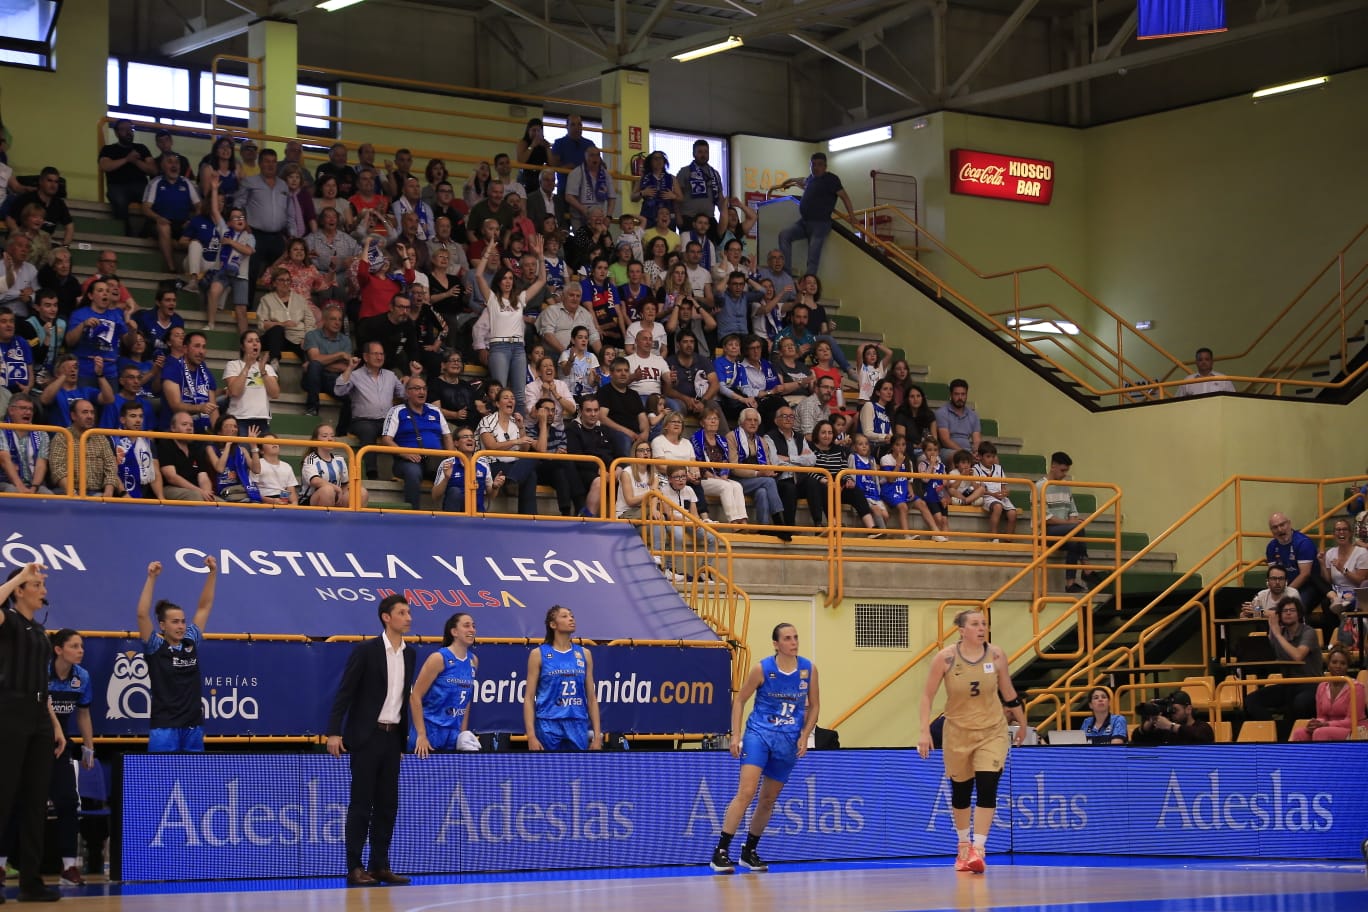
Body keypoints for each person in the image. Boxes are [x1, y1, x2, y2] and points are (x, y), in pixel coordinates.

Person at [916, 608, 1027, 874]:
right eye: (975, 624)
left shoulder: (997, 654)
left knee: (988, 783)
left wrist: (1022, 722)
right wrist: (924, 731)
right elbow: (926, 697)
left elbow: (1008, 691)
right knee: (961, 792)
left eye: (984, 623)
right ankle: (963, 845)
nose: (981, 628)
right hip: (957, 732)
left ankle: (979, 848)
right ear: (961, 630)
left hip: (992, 730)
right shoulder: (945, 659)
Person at [710, 622, 819, 874]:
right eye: (788, 638)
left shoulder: (809, 669)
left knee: (768, 799)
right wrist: (736, 735)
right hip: (759, 735)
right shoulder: (762, 669)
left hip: (788, 740)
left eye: (796, 637)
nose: (794, 642)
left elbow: (814, 706)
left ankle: (749, 852)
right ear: (776, 644)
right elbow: (739, 700)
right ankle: (721, 851)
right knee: (746, 792)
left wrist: (804, 735)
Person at [327, 594, 416, 888]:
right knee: (361, 804)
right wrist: (334, 732)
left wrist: (402, 741)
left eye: (408, 612)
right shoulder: (367, 650)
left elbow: (403, 700)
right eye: (402, 612)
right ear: (386, 617)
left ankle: (380, 865)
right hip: (367, 737)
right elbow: (345, 692)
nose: (408, 617)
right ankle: (354, 866)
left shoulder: (410, 653)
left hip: (393, 739)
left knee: (388, 805)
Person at [0, 564, 66, 903]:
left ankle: (31, 881)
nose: (42, 589)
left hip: (40, 715)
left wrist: (54, 723)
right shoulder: (8, 622)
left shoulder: (40, 632)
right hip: (9, 713)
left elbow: (44, 683)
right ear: (19, 591)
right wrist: (17, 577)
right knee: (4, 795)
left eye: (41, 584)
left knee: (36, 802)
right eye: (35, 584)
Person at [136, 557, 217, 752]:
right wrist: (152, 578)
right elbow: (142, 614)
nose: (181, 626)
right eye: (175, 622)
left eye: (182, 621)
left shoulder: (190, 640)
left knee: (193, 781)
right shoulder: (155, 646)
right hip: (164, 728)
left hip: (193, 727)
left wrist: (212, 573)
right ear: (162, 625)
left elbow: (204, 607)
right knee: (160, 781)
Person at [1242, 595, 1323, 740]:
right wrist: (1250, 613)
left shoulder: (1308, 632)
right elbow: (1267, 654)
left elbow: (1297, 656)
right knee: (1251, 700)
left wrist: (1277, 635)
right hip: (1288, 684)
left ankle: (1292, 738)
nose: (1288, 613)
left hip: (1311, 684)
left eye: (1292, 610)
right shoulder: (1278, 633)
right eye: (1284, 611)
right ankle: (1274, 732)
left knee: (1299, 703)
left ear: (1299, 614)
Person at [524, 605, 603, 751]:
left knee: (577, 771)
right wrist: (531, 736)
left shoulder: (585, 654)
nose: (571, 618)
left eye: (572, 615)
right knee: (549, 771)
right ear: (553, 624)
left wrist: (597, 736)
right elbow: (529, 698)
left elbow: (592, 697)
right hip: (548, 723)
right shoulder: (538, 654)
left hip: (577, 722)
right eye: (565, 616)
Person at [409, 612, 480, 757]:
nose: (472, 630)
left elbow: (466, 701)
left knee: (450, 779)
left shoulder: (473, 661)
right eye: (466, 626)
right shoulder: (439, 658)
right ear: (454, 631)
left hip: (453, 734)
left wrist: (462, 734)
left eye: (473, 626)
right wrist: (421, 735)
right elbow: (415, 696)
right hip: (431, 730)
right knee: (419, 778)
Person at [775, 153, 854, 278]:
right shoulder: (811, 178)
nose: (815, 168)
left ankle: (808, 283)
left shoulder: (831, 179)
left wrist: (852, 217)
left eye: (819, 165)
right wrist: (793, 180)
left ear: (825, 166)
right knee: (784, 235)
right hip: (804, 222)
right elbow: (804, 181)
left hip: (820, 224)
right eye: (813, 165)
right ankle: (787, 276)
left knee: (813, 256)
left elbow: (845, 197)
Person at [380, 376, 454, 510]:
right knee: (413, 472)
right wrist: (405, 453)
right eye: (417, 388)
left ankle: (453, 515)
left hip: (435, 460)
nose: (422, 392)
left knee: (456, 473)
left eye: (424, 388)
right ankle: (413, 513)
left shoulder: (435, 411)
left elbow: (447, 437)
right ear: (407, 392)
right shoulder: (397, 411)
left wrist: (452, 459)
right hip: (407, 461)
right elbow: (386, 439)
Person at [1038, 451, 1103, 593]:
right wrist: (1068, 523)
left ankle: (1070, 584)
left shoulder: (1066, 486)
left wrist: (1071, 522)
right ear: (1053, 466)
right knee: (1077, 528)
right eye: (1062, 470)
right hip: (1045, 532)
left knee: (1074, 540)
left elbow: (1073, 511)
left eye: (1066, 471)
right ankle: (1087, 568)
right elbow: (1044, 518)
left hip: (1065, 529)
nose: (1064, 474)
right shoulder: (1040, 487)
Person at [1290, 646, 1366, 742]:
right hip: (1326, 727)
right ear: (1328, 665)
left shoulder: (1356, 687)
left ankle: (1321, 757)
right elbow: (1322, 717)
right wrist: (1316, 723)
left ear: (1348, 666)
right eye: (1334, 662)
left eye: (1343, 663)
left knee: (1321, 732)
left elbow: (1351, 721)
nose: (1338, 666)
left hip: (1354, 730)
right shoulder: (1322, 687)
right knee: (1299, 733)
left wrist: (1325, 725)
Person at [1318, 516, 1368, 645]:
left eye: (1344, 529)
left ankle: (1348, 640)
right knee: (1325, 602)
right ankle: (1332, 642)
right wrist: (1323, 564)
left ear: (1350, 533)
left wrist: (1343, 569)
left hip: (1356, 591)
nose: (1341, 532)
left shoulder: (1361, 553)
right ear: (1334, 534)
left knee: (1351, 599)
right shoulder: (1330, 553)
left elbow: (1360, 580)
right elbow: (1328, 580)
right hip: (1337, 592)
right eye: (1338, 530)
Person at [1266, 512, 1326, 610]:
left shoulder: (1303, 543)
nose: (1280, 530)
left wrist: (1285, 593)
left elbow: (1305, 574)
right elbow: (1273, 574)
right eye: (1275, 527)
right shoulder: (1271, 547)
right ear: (1271, 530)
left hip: (1309, 586)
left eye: (1282, 525)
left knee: (1293, 608)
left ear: (1289, 524)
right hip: (1284, 587)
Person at [1130, 690, 1214, 745]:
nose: (1172, 714)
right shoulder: (1166, 732)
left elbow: (1201, 736)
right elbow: (1136, 740)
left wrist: (1171, 726)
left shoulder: (1203, 727)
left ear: (1188, 709)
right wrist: (1147, 726)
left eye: (1175, 710)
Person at [973, 442, 1017, 542]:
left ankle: (1009, 539)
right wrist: (993, 494)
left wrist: (1005, 492)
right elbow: (978, 490)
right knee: (998, 507)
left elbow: (1003, 486)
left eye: (993, 456)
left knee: (1013, 514)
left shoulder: (999, 468)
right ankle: (993, 536)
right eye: (988, 456)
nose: (991, 459)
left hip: (1000, 496)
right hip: (987, 497)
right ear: (980, 457)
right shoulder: (976, 469)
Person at [935, 378, 982, 455]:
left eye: (963, 394)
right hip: (948, 450)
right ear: (951, 395)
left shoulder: (973, 415)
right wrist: (964, 453)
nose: (960, 398)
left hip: (968, 451)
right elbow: (945, 440)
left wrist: (976, 452)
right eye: (956, 394)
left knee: (992, 458)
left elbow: (977, 440)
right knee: (957, 457)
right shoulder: (942, 412)